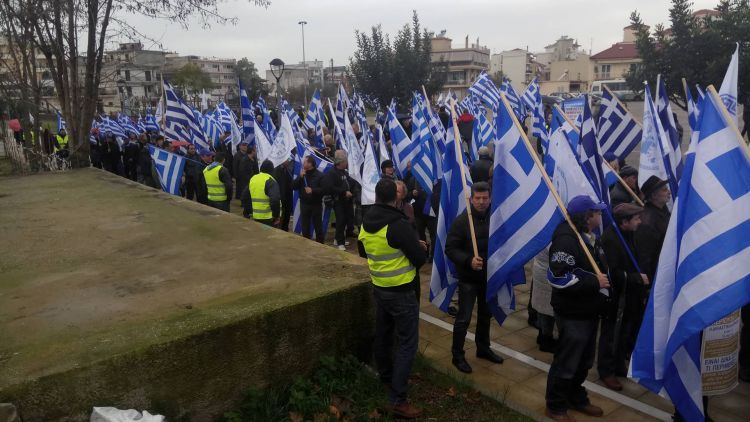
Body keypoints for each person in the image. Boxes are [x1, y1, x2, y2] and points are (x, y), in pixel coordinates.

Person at [357, 178, 427, 419]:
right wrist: (419, 248)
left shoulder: (366, 220)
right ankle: (398, 399)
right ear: (396, 198)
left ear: (376, 196)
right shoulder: (398, 224)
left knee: (384, 334)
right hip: (401, 291)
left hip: (380, 287)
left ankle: (386, 376)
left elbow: (363, 250)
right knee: (407, 344)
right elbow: (418, 258)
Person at [545, 195, 610, 422]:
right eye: (597, 212)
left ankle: (575, 396)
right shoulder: (566, 239)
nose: (601, 216)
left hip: (589, 310)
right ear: (587, 216)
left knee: (583, 361)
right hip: (572, 313)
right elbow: (557, 277)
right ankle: (555, 405)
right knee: (567, 362)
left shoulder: (588, 236)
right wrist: (595, 283)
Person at [445, 182, 504, 374]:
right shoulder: (462, 221)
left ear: (490, 198)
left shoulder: (496, 218)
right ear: (471, 199)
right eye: (477, 198)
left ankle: (483, 348)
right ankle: (457, 355)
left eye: (485, 198)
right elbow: (450, 249)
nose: (481, 202)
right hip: (469, 278)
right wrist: (468, 260)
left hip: (488, 278)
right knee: (464, 318)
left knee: (486, 316)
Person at [598, 203, 647, 391]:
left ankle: (618, 365)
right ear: (624, 222)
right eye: (636, 218)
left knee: (623, 333)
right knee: (611, 335)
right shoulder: (611, 239)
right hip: (616, 300)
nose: (640, 222)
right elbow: (611, 273)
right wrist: (635, 278)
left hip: (629, 298)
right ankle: (606, 371)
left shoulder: (629, 234)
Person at [634, 176, 671, 281]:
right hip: (658, 273)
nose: (669, 192)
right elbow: (645, 256)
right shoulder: (647, 221)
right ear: (653, 195)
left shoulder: (663, 209)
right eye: (664, 190)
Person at [322, 150, 355, 250]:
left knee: (346, 219)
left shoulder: (344, 172)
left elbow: (349, 181)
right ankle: (340, 243)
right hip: (338, 201)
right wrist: (344, 192)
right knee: (340, 220)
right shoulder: (331, 173)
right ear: (341, 163)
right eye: (345, 162)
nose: (347, 163)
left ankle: (338, 238)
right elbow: (330, 187)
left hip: (347, 201)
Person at [292, 156, 325, 243]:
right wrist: (300, 177)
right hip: (304, 204)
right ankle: (306, 244)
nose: (303, 164)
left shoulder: (320, 175)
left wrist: (312, 190)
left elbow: (324, 190)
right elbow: (294, 186)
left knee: (318, 227)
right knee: (305, 227)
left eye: (305, 162)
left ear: (310, 164)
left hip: (316, 204)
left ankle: (320, 245)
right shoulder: (303, 174)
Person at [531, 246, 556, 353]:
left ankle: (542, 335)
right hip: (546, 273)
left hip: (541, 270)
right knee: (547, 310)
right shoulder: (551, 236)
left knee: (542, 308)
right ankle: (546, 339)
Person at [243, 159, 281, 226]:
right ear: (272, 170)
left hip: (254, 216)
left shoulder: (253, 178)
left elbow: (244, 196)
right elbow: (275, 200)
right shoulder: (270, 180)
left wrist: (247, 212)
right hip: (268, 218)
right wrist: (276, 216)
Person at [274, 159, 294, 231]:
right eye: (287, 160)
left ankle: (285, 228)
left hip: (288, 198)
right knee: (281, 216)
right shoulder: (277, 170)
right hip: (281, 198)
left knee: (286, 215)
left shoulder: (287, 170)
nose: (289, 161)